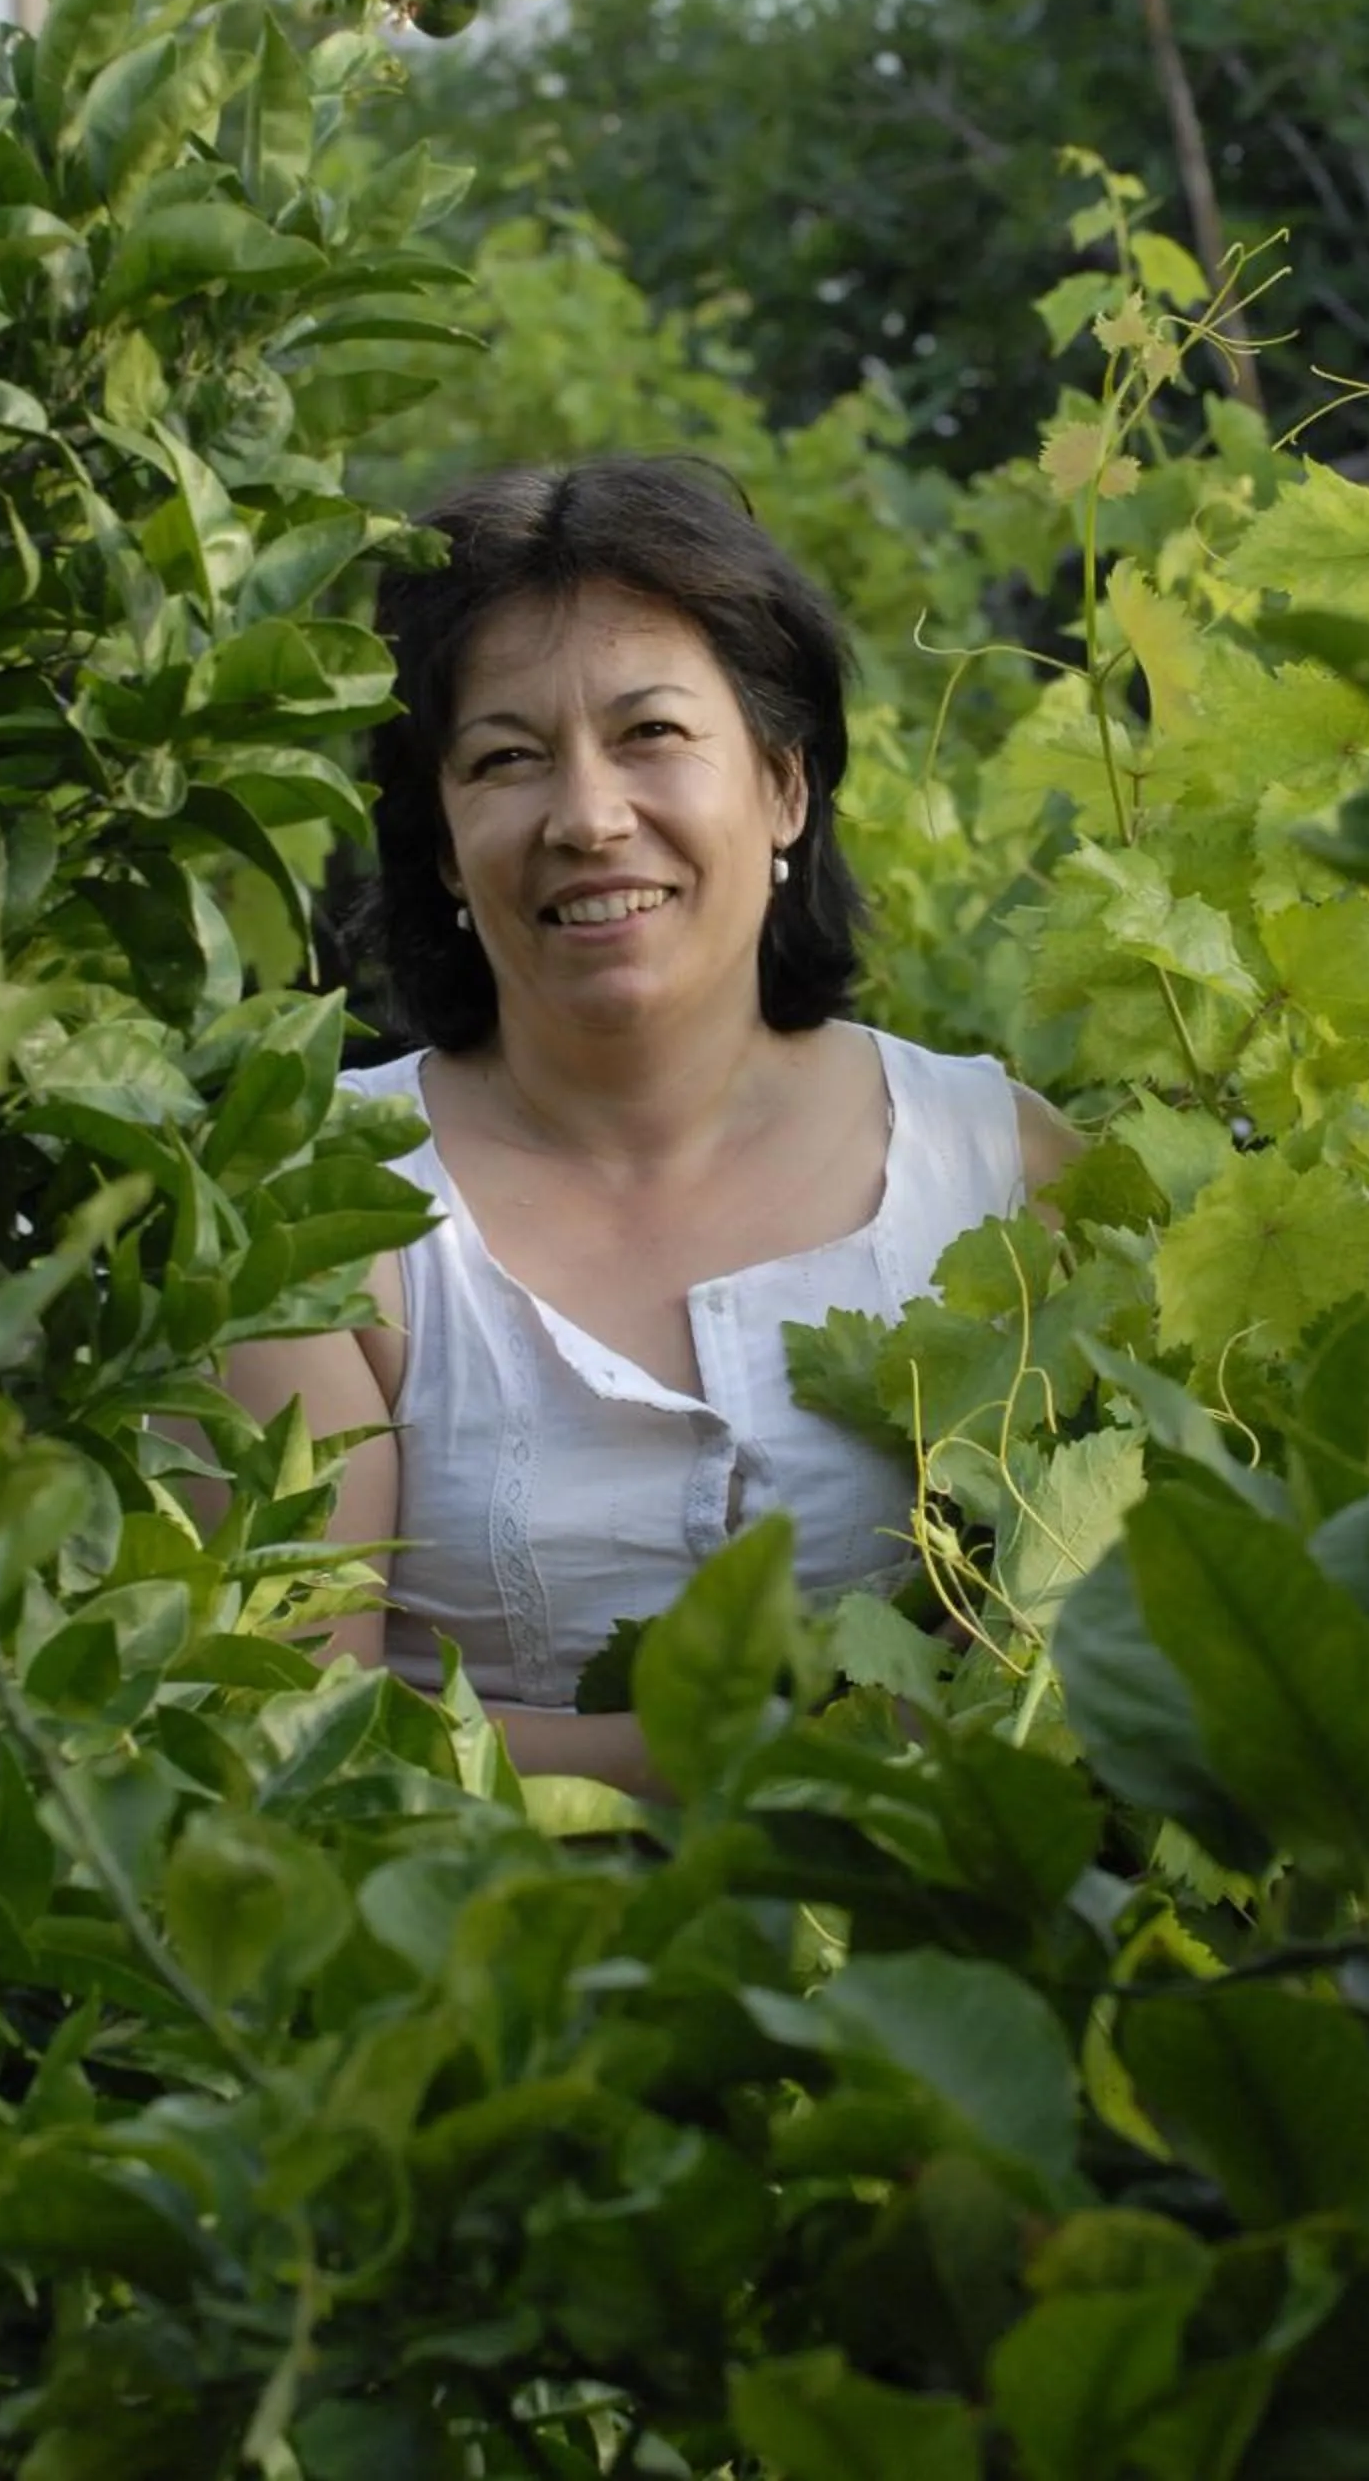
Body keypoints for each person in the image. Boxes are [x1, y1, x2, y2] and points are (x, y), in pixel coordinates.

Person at [223, 456, 1077, 1789]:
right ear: (444, 845)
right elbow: (279, 1739)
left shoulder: (999, 1167)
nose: (588, 816)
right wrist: (804, 1757)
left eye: (652, 736)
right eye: (506, 758)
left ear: (785, 787)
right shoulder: (322, 1209)